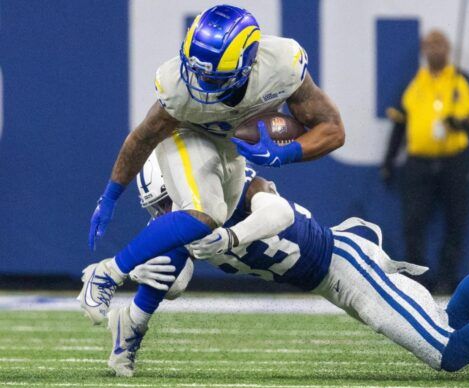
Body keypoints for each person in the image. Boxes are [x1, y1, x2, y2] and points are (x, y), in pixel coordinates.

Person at [104, 156, 469, 377]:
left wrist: (230, 235)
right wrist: (145, 306)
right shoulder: (183, 225)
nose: (166, 217)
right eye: (160, 210)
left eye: (169, 204)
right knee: (452, 327)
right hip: (333, 278)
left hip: (343, 264)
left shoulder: (235, 187)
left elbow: (280, 212)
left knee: (449, 354)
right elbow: (169, 282)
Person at [78, 4, 345, 325]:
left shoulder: (282, 64)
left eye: (213, 77)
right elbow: (142, 138)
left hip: (231, 146)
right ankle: (108, 273)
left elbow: (332, 130)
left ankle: (130, 325)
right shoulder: (178, 85)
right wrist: (110, 197)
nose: (202, 82)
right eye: (197, 71)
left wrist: (285, 153)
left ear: (248, 63)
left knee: (209, 225)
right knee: (204, 215)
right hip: (191, 136)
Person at [381, 30, 469, 293]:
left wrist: (461, 123)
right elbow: (399, 125)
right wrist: (388, 160)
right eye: (429, 45)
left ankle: (447, 278)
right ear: (422, 49)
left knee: (455, 220)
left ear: (449, 48)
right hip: (418, 161)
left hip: (455, 160)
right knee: (414, 221)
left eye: (439, 44)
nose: (434, 49)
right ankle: (417, 279)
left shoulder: (462, 81)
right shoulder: (414, 83)